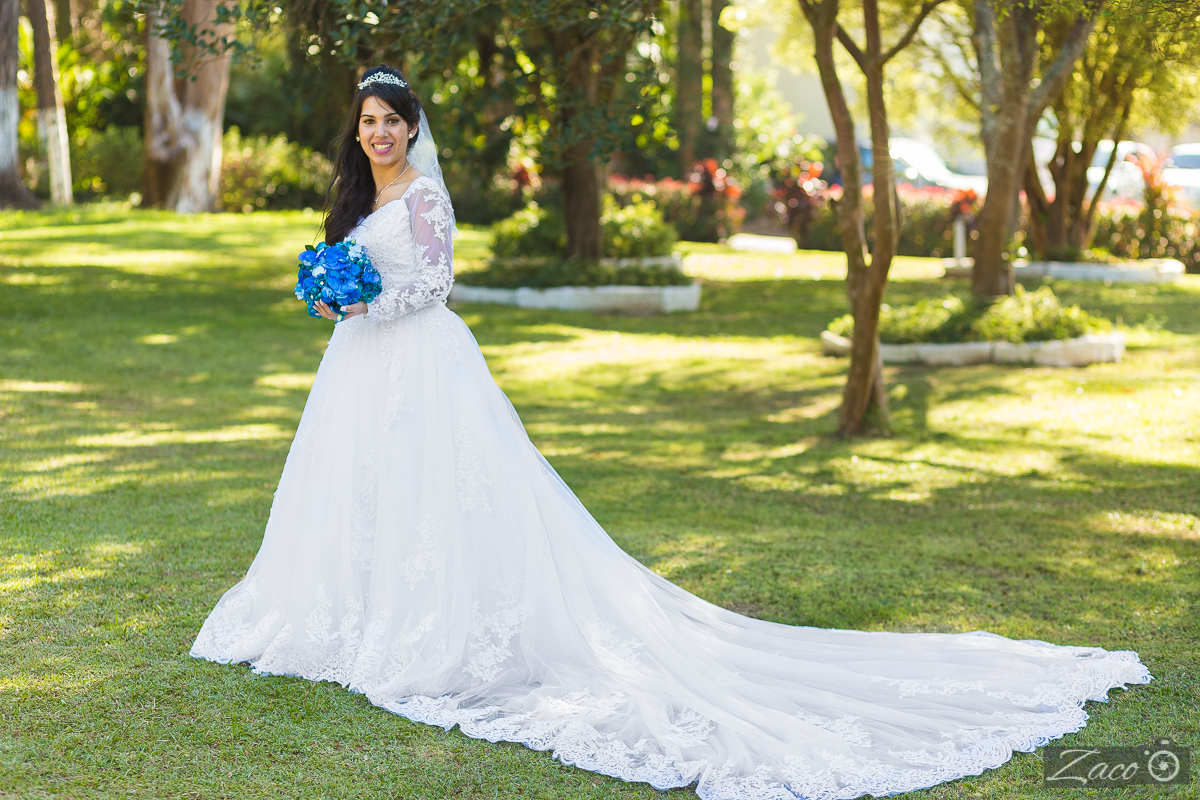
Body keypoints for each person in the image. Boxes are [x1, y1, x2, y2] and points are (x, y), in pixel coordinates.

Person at [191, 65, 1150, 800]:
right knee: (364, 487)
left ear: (412, 128)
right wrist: (334, 295)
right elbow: (356, 270)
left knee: (440, 489)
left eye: (392, 121)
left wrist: (369, 301)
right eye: (368, 121)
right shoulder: (357, 197)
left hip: (421, 357)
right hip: (360, 367)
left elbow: (436, 285)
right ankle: (355, 616)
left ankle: (433, 627)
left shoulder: (427, 197)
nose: (380, 133)